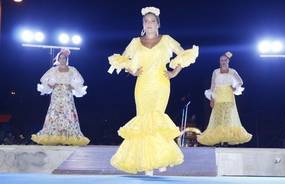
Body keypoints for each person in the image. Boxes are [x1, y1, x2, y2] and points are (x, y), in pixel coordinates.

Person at [108, 6, 198, 175]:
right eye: (146, 21)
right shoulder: (136, 42)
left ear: (158, 24)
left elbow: (184, 55)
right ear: (143, 24)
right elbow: (123, 60)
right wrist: (132, 70)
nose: (149, 24)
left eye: (152, 21)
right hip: (142, 85)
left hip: (161, 83)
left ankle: (160, 158)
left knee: (156, 119)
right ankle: (147, 163)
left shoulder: (167, 39)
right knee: (143, 121)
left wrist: (173, 73)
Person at [31, 48, 90, 146]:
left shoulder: (72, 69)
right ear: (58, 59)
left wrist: (72, 86)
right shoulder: (53, 70)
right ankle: (54, 135)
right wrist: (51, 85)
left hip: (67, 94)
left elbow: (80, 80)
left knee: (68, 112)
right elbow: (44, 79)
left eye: (64, 58)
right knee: (55, 113)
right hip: (57, 94)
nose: (62, 60)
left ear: (66, 59)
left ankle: (68, 136)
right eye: (61, 58)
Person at [198, 51, 252, 146]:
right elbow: (212, 86)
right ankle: (219, 140)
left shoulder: (232, 71)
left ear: (228, 61)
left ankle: (226, 140)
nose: (223, 62)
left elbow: (240, 81)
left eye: (225, 60)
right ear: (219, 61)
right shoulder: (215, 72)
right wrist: (212, 99)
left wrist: (234, 87)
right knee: (218, 119)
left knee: (227, 119)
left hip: (228, 97)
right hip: (218, 97)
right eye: (221, 60)